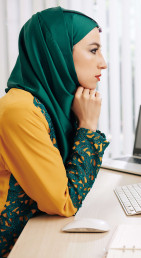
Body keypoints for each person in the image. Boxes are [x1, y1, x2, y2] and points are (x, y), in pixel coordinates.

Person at [0, 7, 109, 256]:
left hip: (32, 239)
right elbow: (65, 201)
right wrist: (88, 127)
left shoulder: (50, 107)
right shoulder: (20, 111)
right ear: (56, 52)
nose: (103, 62)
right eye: (93, 50)